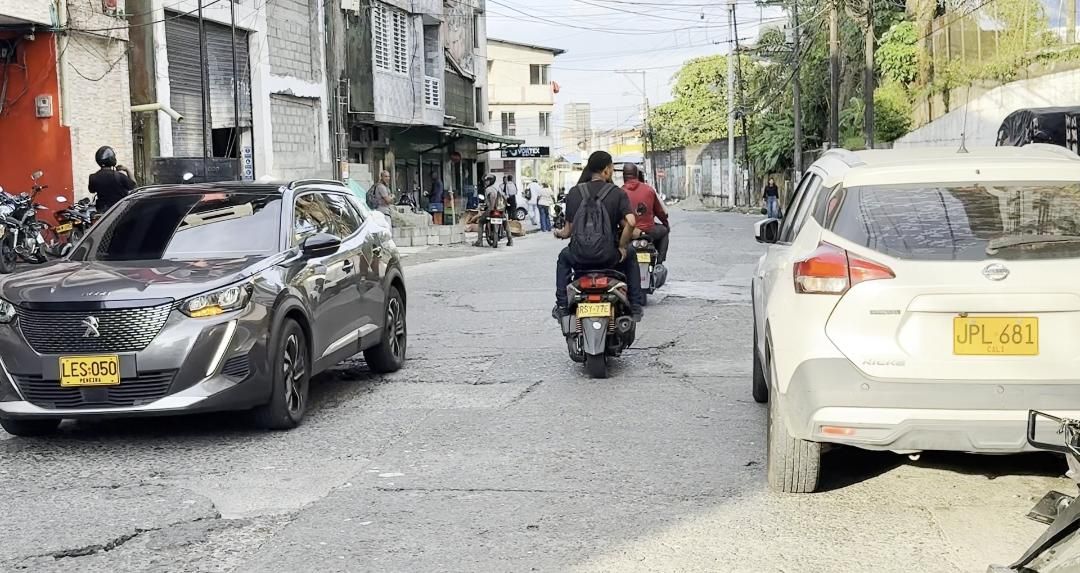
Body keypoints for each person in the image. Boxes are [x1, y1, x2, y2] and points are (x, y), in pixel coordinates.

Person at [553, 151, 644, 322]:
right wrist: (622, 246)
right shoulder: (617, 193)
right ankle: (636, 305)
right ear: (607, 170)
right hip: (608, 257)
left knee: (562, 258)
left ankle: (563, 306)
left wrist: (557, 233)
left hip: (578, 257)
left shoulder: (574, 192)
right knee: (631, 255)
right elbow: (631, 222)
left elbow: (567, 232)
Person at [622, 163, 670, 264]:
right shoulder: (649, 190)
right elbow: (660, 212)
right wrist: (666, 224)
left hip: (628, 234)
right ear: (636, 174)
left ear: (623, 176)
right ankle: (659, 263)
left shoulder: (619, 192)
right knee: (664, 231)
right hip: (649, 232)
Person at [89, 146, 136, 213]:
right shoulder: (119, 176)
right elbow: (133, 185)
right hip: (119, 212)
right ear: (112, 159)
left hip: (102, 212)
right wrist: (127, 170)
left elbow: (92, 190)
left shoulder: (93, 177)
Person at [474, 174, 512, 247]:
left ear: (490, 181)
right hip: (501, 210)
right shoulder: (498, 188)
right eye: (485, 181)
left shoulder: (489, 189)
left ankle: (479, 241)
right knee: (505, 222)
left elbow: (492, 197)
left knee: (481, 222)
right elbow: (505, 197)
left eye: (487, 181)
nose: (485, 182)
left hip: (492, 210)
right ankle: (510, 240)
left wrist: (491, 208)